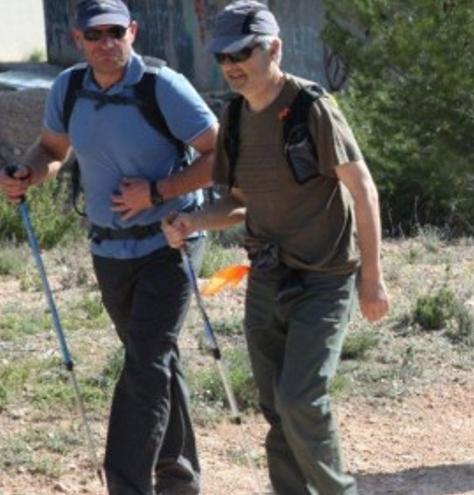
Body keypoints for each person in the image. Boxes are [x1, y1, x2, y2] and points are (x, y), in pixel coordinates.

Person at [161, 2, 390, 493]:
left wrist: (373, 278)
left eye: (244, 51)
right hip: (267, 276)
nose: (232, 64)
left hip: (325, 277)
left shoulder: (311, 107)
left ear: (274, 48)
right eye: (223, 56)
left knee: (301, 399)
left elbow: (362, 187)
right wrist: (193, 219)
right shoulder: (236, 117)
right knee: (275, 407)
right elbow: (239, 202)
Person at [0, 1, 218, 493]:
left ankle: (125, 484)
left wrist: (158, 192)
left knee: (145, 361)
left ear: (132, 32)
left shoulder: (163, 87)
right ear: (78, 39)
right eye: (94, 34)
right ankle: (179, 479)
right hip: (110, 252)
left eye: (114, 31)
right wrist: (29, 174)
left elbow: (220, 153)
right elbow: (54, 151)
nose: (105, 42)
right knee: (154, 358)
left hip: (171, 242)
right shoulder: (69, 87)